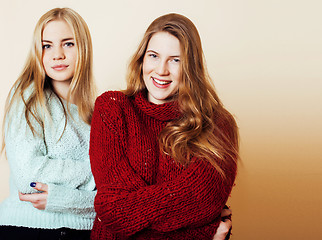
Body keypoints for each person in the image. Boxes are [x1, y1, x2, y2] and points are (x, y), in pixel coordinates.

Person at [89, 13, 239, 239]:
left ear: (191, 66)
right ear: (142, 59)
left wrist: (133, 213)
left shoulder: (217, 124)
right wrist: (203, 233)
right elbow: (113, 211)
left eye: (175, 60)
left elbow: (204, 200)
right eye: (154, 56)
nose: (161, 70)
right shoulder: (112, 109)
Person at [0, 8, 96, 240]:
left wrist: (60, 198)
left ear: (83, 47)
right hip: (28, 230)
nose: (57, 55)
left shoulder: (96, 112)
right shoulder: (27, 96)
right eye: (47, 45)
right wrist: (96, 173)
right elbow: (28, 177)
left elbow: (109, 199)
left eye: (68, 44)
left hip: (84, 233)